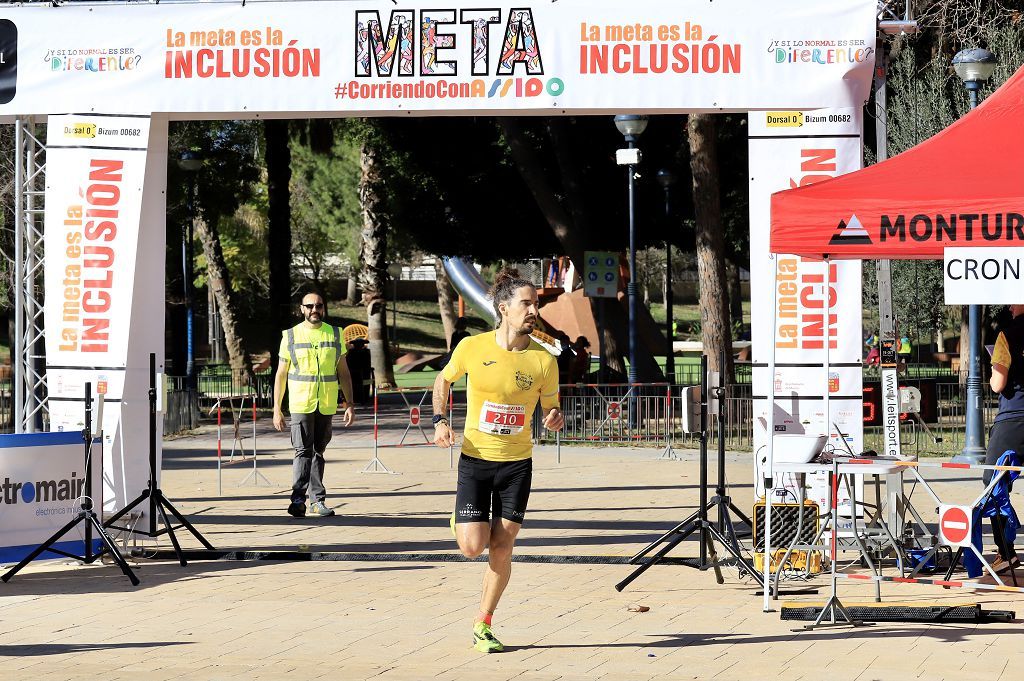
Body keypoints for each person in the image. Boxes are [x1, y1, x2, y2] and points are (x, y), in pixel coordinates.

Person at [431, 268, 564, 653]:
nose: (533, 310)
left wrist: (555, 418)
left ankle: (484, 622)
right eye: (526, 303)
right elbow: (443, 380)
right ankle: (463, 518)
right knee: (473, 547)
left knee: (502, 547)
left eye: (535, 304)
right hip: (475, 459)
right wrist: (440, 421)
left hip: (517, 464)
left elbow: (552, 411)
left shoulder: (544, 360)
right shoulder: (472, 348)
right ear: (504, 308)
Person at [273, 291, 355, 518]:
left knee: (318, 452)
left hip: (326, 404)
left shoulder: (335, 334)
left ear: (324, 308)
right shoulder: (290, 335)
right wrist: (276, 409)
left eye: (318, 305)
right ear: (302, 309)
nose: (314, 310)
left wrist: (349, 403)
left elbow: (344, 373)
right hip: (301, 403)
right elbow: (281, 375)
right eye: (309, 306)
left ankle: (317, 501)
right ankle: (298, 499)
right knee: (302, 451)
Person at [984, 304, 1024, 572]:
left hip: (1014, 417)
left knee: (993, 481)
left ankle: (1005, 551)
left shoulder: (1007, 335)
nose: (1009, 306)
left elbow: (998, 383)